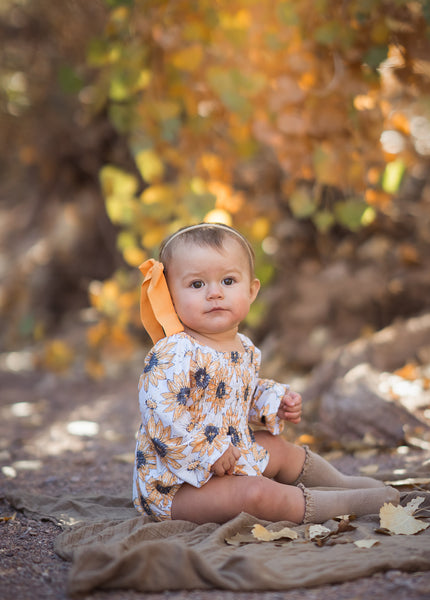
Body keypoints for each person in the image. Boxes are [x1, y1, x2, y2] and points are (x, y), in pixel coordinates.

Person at [133, 222, 399, 524]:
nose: (215, 293)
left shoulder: (243, 348)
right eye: (197, 285)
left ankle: (341, 482)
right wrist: (207, 453)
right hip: (177, 487)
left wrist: (272, 400)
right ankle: (341, 504)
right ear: (169, 296)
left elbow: (235, 395)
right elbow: (161, 414)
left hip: (228, 456)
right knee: (255, 494)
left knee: (277, 448)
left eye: (228, 281)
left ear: (251, 290)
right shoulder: (174, 353)